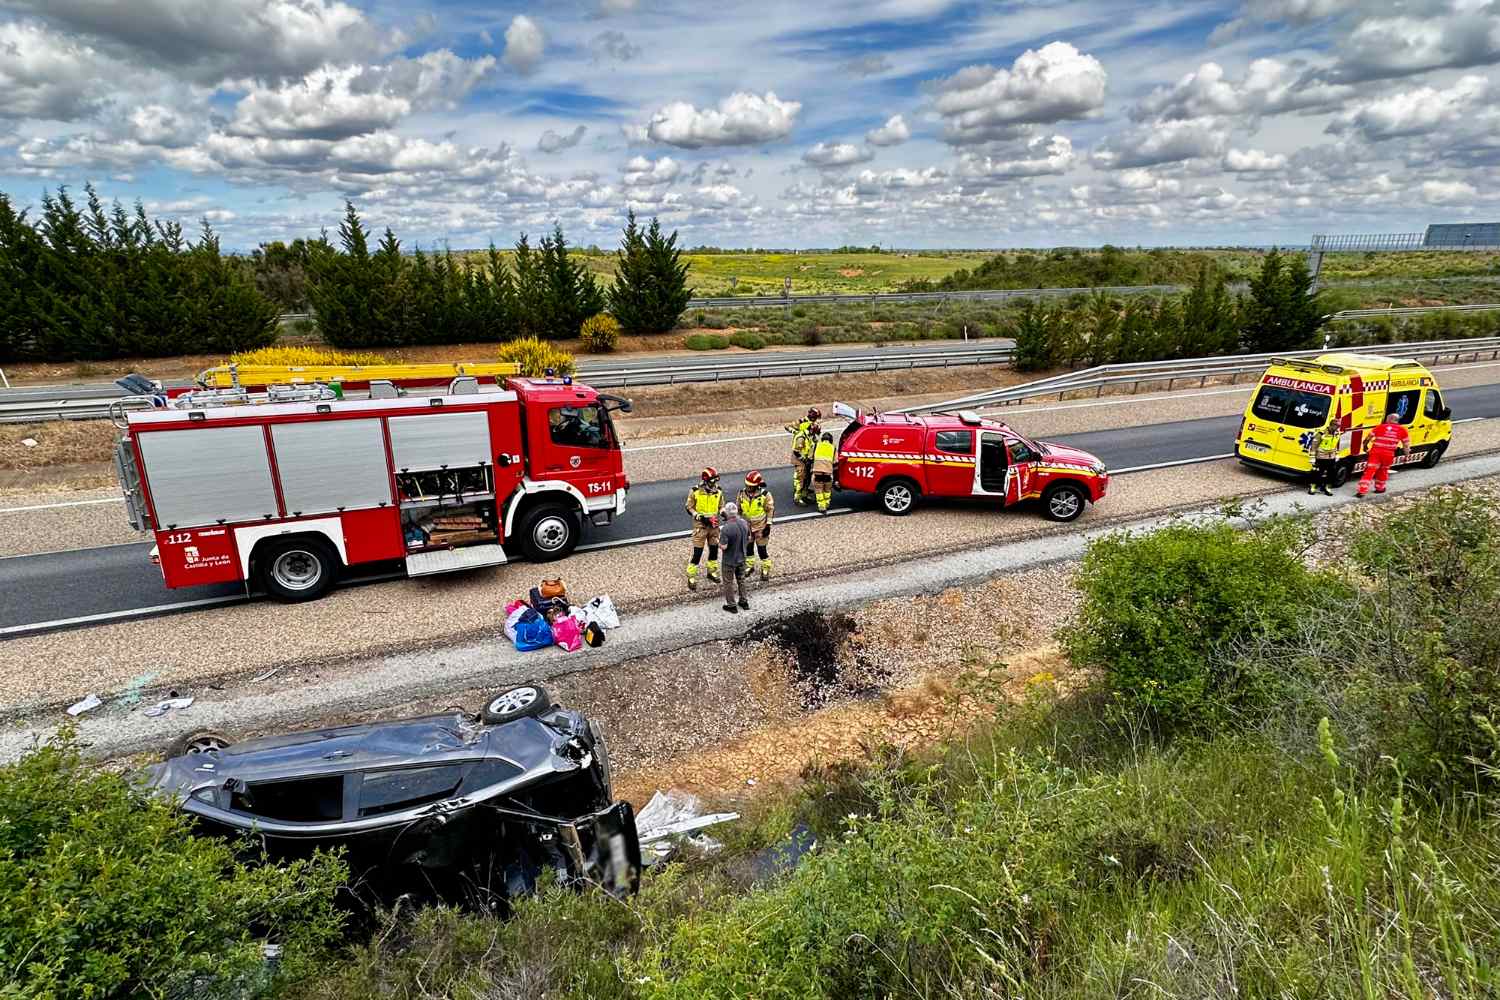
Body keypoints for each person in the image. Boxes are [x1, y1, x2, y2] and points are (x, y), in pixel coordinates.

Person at [684, 467, 723, 589]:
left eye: (715, 480)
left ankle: (711, 571)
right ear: (706, 480)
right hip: (700, 527)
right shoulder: (695, 491)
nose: (714, 483)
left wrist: (724, 513)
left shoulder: (718, 491)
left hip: (714, 526)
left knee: (714, 550)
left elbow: (721, 506)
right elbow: (689, 507)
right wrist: (699, 517)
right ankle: (691, 575)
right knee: (697, 553)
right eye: (712, 481)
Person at [1357, 413, 1410, 497]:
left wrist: (1365, 446)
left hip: (1375, 452)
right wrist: (1407, 455)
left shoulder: (1379, 427)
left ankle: (1362, 490)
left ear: (1388, 419)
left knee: (1370, 470)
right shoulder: (1402, 430)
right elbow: (1406, 445)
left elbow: (1368, 438)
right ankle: (1380, 488)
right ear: (1397, 420)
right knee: (1383, 470)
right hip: (1388, 454)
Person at [737, 470, 775, 581]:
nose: (748, 487)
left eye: (751, 486)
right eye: (747, 485)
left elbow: (770, 510)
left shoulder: (765, 496)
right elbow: (738, 509)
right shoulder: (741, 494)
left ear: (757, 485)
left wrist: (768, 525)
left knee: (762, 549)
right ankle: (750, 566)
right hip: (747, 528)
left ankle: (765, 567)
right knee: (748, 548)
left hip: (760, 527)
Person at [717, 501, 752, 613]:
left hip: (729, 561)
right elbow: (749, 538)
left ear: (726, 514)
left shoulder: (726, 529)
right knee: (741, 580)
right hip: (742, 557)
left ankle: (731, 605)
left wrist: (717, 541)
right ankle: (744, 601)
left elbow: (723, 546)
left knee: (728, 582)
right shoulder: (744, 523)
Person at [786, 407, 820, 505]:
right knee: (800, 478)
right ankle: (797, 497)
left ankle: (804, 494)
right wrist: (796, 433)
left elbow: (813, 444)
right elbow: (797, 451)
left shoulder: (810, 435)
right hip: (800, 459)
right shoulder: (802, 435)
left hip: (807, 459)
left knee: (807, 478)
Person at [1308, 418, 1341, 496]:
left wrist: (1337, 454)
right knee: (1317, 473)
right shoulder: (1321, 433)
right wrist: (1312, 457)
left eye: (1339, 426)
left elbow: (1337, 444)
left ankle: (1327, 487)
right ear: (1332, 425)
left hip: (1331, 457)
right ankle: (1313, 487)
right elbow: (1314, 445)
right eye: (1337, 426)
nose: (1338, 428)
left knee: (1331, 473)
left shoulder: (1337, 433)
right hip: (1321, 456)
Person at [811, 430, 836, 513]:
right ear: (831, 440)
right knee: (827, 489)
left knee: (818, 489)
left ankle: (821, 506)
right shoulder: (833, 447)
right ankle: (827, 503)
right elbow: (836, 461)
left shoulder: (816, 445)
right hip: (828, 472)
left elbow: (810, 457)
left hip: (817, 471)